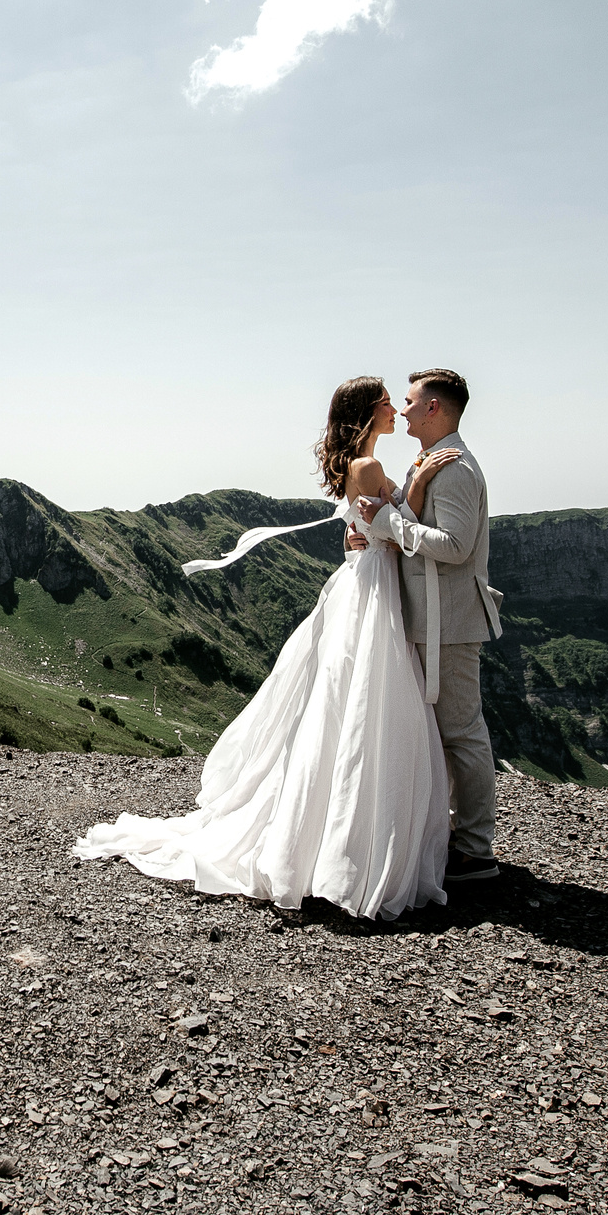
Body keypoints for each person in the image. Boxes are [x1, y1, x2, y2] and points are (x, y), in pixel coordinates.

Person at [71, 376, 459, 919]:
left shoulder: (361, 466)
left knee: (345, 703)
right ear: (369, 412)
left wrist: (377, 520)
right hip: (374, 586)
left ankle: (334, 834)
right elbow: (396, 529)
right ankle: (355, 844)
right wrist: (420, 486)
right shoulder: (369, 466)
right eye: (388, 403)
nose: (396, 409)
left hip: (365, 579)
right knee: (366, 703)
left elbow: (367, 524)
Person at [348, 368, 505, 884]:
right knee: (438, 734)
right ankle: (449, 836)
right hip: (427, 618)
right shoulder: (429, 462)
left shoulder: (454, 469)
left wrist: (387, 523)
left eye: (411, 401)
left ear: (434, 408)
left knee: (462, 732)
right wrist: (370, 531)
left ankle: (476, 850)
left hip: (450, 621)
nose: (404, 409)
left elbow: (455, 547)